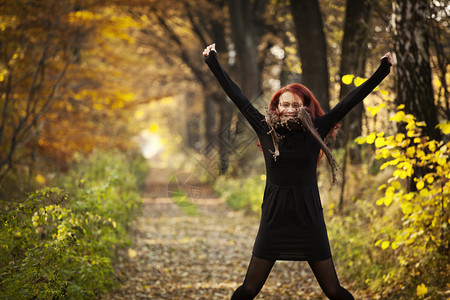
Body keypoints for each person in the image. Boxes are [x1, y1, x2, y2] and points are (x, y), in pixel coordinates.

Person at [203, 43, 392, 300]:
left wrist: (383, 70)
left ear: (305, 106)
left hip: (309, 218)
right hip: (274, 218)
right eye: (285, 105)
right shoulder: (266, 128)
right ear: (277, 107)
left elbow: (351, 100)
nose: (290, 109)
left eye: (296, 105)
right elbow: (238, 97)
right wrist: (212, 61)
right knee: (248, 289)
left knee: (334, 290)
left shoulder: (317, 128)